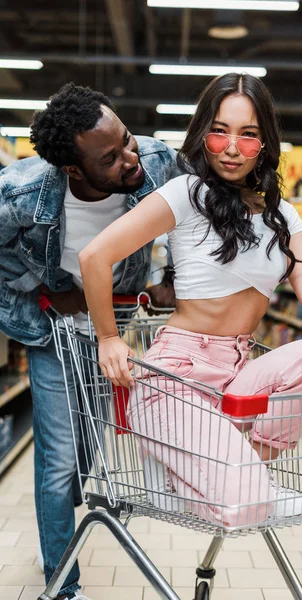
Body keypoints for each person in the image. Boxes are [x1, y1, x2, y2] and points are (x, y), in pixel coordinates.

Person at [79, 73, 302, 527]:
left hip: (238, 377)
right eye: (220, 131)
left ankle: (240, 473)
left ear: (266, 143)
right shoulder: (185, 195)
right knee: (250, 507)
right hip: (176, 381)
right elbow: (95, 256)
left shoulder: (283, 216)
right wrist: (108, 338)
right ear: (204, 134)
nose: (232, 148)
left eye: (249, 135)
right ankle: (230, 488)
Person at [0, 82, 181, 600]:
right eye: (111, 156)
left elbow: (200, 211)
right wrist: (38, 301)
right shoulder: (19, 193)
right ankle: (62, 583)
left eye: (126, 138)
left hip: (114, 330)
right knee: (57, 461)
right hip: (53, 333)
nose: (131, 158)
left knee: (86, 450)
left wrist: (178, 282)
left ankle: (57, 521)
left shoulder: (155, 160)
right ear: (73, 170)